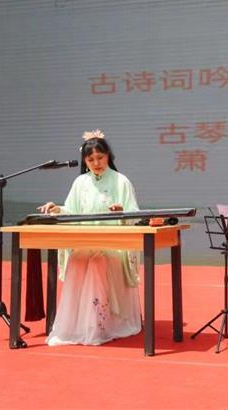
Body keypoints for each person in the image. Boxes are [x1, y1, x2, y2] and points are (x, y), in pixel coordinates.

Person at [38, 129, 142, 346]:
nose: (96, 163)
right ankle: (77, 325)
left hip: (114, 246)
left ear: (108, 156)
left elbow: (135, 215)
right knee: (77, 260)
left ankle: (99, 326)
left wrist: (121, 211)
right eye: (91, 159)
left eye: (100, 158)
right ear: (85, 161)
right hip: (86, 242)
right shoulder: (80, 183)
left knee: (97, 264)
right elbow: (72, 211)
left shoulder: (121, 181)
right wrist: (57, 209)